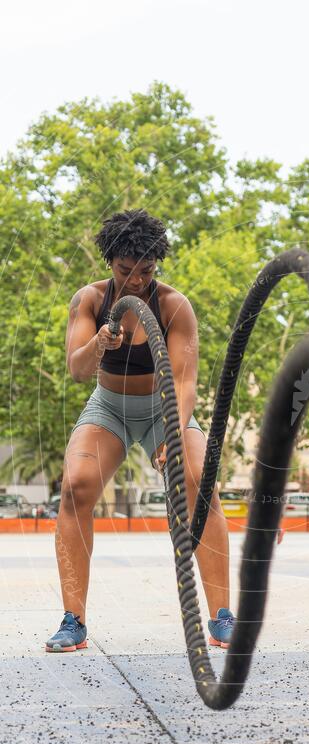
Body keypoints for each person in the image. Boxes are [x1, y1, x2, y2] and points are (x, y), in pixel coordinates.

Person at [46, 210, 234, 652]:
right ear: (109, 263)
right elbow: (76, 369)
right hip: (109, 406)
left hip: (163, 407)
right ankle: (74, 620)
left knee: (197, 482)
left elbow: (186, 380)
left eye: (145, 270)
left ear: (157, 264)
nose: (134, 280)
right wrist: (99, 345)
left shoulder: (173, 306)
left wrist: (173, 427)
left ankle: (223, 616)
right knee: (76, 485)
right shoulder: (89, 300)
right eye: (124, 270)